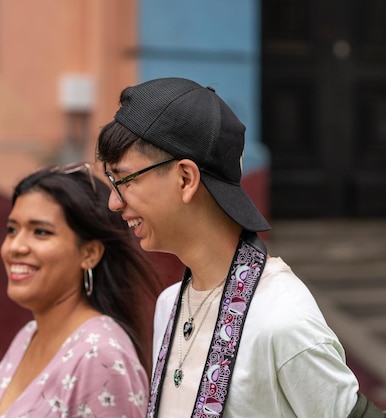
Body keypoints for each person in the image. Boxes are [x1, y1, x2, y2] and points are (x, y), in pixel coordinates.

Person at [95, 77, 383, 417]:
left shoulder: (281, 319)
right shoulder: (170, 304)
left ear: (185, 179)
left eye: (124, 180)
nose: (114, 202)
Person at [0, 163, 164, 418]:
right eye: (12, 230)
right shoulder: (28, 337)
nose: (15, 246)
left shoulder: (99, 356)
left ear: (89, 253)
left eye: (41, 232)